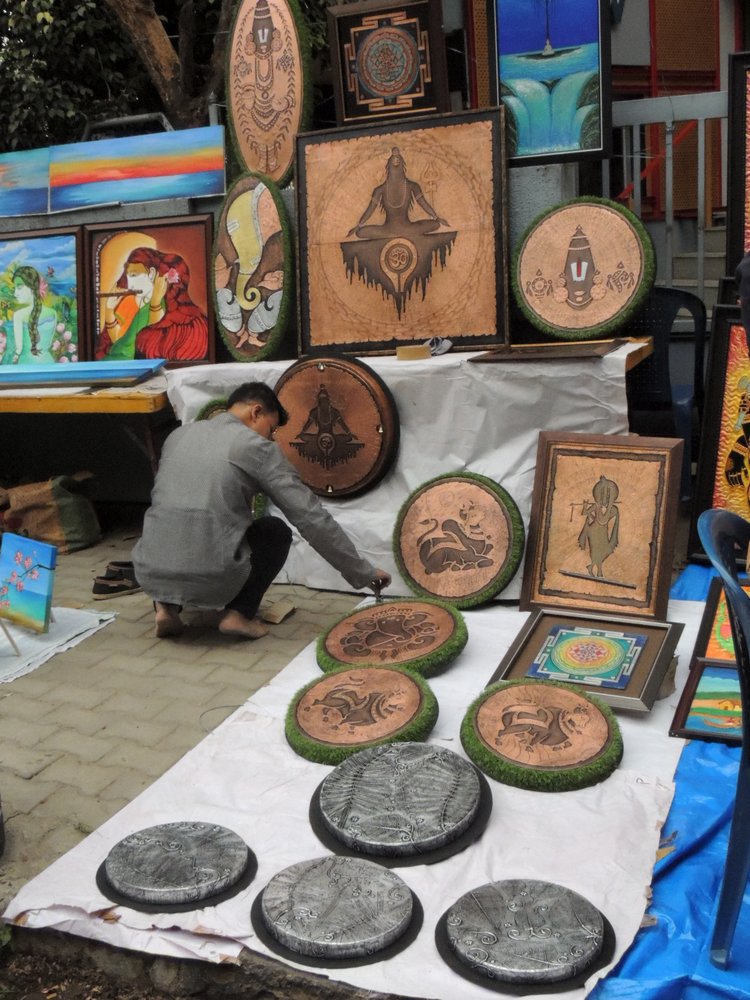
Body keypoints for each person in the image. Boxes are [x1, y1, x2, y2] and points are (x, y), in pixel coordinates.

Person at [132, 381, 391, 639]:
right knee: (275, 531)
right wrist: (361, 572)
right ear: (256, 412)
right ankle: (238, 614)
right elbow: (310, 517)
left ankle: (165, 609)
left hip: (150, 569)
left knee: (171, 519)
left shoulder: (179, 436)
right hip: (213, 574)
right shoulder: (256, 447)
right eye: (271, 429)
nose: (270, 437)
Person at [96, 246, 208, 361]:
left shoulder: (164, 303)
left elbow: (154, 325)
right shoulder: (132, 301)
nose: (130, 284)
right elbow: (119, 339)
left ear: (151, 274)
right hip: (118, 360)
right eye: (128, 276)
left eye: (134, 275)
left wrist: (155, 301)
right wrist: (109, 309)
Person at [9, 265, 57, 364]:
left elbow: (19, 349)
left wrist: (14, 357)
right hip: (48, 362)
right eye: (15, 288)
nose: (15, 293)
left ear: (31, 287)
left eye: (19, 287)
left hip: (26, 364)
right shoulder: (53, 313)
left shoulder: (18, 315)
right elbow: (48, 344)